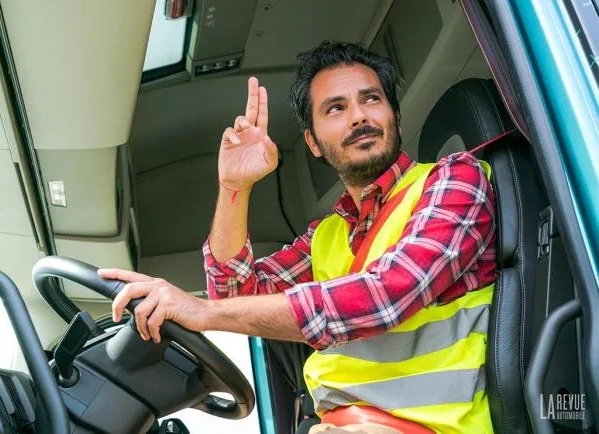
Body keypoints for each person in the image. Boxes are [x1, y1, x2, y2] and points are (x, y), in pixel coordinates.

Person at [99, 41, 497, 433]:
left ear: (394, 114)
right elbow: (235, 298)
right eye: (336, 108)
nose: (358, 117)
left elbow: (388, 294)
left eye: (371, 100)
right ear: (313, 142)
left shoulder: (455, 178)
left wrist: (201, 313)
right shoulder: (324, 236)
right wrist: (234, 186)